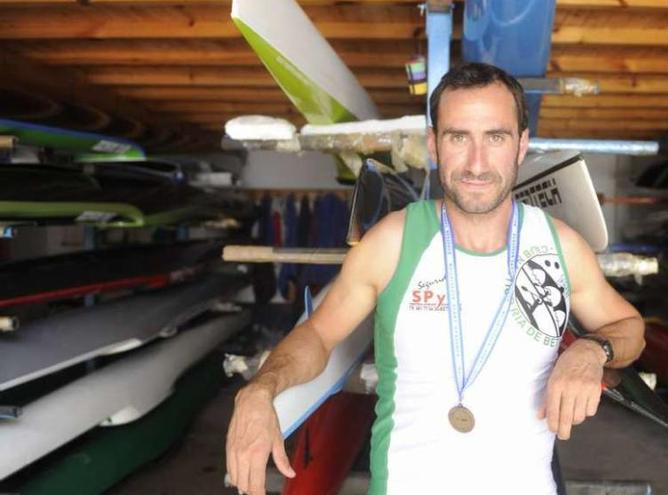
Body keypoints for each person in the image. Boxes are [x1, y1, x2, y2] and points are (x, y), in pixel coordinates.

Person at [226, 63, 645, 495]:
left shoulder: (559, 246)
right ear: (433, 145)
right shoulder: (394, 241)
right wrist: (259, 390)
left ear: (521, 145)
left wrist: (592, 351)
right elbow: (317, 335)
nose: (477, 163)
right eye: (458, 137)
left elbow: (630, 329)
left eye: (495, 137)